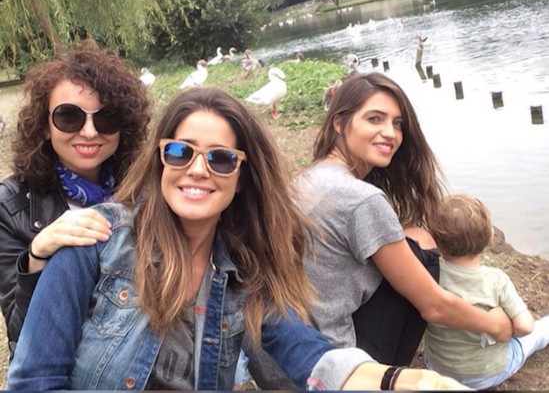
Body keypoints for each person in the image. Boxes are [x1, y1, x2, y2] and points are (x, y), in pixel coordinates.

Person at [7, 87, 467, 391]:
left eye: (221, 159)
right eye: (180, 152)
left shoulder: (244, 274)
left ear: (243, 176)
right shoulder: (96, 241)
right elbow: (34, 380)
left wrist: (392, 380)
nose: (198, 170)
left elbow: (308, 352)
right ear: (161, 159)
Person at [296, 72, 513, 367]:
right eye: (374, 119)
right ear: (339, 123)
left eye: (397, 123)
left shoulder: (313, 175)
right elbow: (434, 306)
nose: (391, 133)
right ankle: (388, 375)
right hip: (328, 365)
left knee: (413, 236)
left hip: (289, 350)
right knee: (423, 249)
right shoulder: (361, 198)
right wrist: (495, 326)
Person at [0, 40, 151, 356]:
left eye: (106, 117)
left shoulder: (145, 189)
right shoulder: (10, 206)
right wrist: (36, 256)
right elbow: (20, 331)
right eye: (69, 117)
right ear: (44, 126)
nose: (90, 131)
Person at [423, 193, 549, 389]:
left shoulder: (428, 274)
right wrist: (504, 328)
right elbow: (525, 327)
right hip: (487, 375)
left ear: (436, 241)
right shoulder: (497, 280)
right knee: (540, 331)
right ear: (490, 237)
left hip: (438, 370)